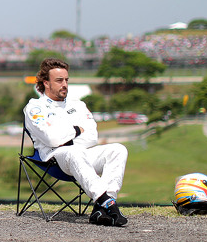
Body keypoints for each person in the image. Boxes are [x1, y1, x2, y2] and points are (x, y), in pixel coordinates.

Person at [24, 58, 129, 226]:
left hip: (81, 154)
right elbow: (51, 139)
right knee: (74, 151)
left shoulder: (78, 105)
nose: (64, 84)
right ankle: (110, 205)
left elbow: (92, 136)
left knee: (118, 149)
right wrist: (76, 130)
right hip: (54, 159)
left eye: (66, 80)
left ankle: (100, 209)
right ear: (46, 83)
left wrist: (63, 136)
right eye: (59, 80)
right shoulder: (35, 107)